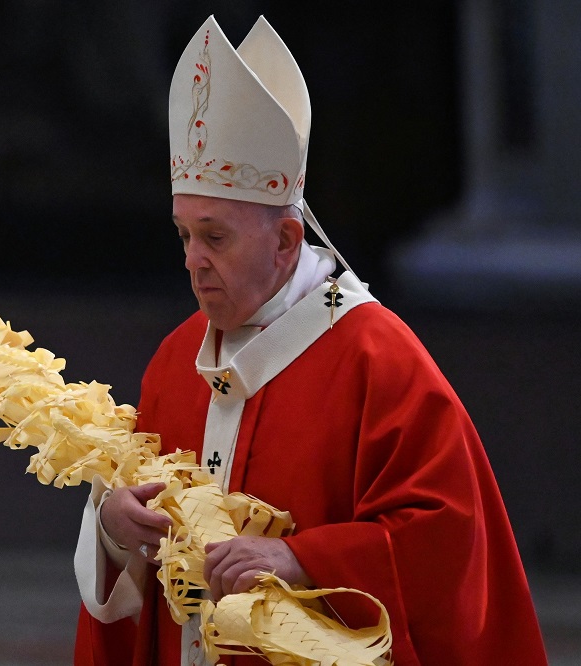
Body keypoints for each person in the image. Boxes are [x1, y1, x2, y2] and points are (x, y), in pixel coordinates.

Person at [72, 14, 548, 666]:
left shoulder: (377, 357)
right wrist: (114, 528)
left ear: (287, 242)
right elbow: (133, 533)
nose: (192, 260)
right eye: (184, 235)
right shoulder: (174, 359)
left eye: (215, 236)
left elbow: (450, 544)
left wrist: (302, 558)